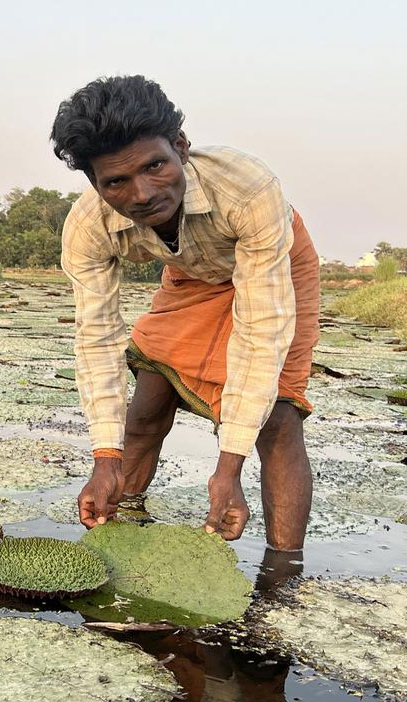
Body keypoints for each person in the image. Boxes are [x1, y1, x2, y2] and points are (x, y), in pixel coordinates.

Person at [53, 76, 319, 552]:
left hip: (272, 263)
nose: (142, 194)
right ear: (95, 184)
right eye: (116, 181)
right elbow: (96, 340)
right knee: (152, 393)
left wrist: (228, 465)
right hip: (191, 271)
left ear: (181, 147)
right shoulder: (88, 227)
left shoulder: (248, 190)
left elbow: (260, 332)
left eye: (155, 165)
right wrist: (103, 457)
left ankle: (284, 573)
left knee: (277, 416)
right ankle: (118, 520)